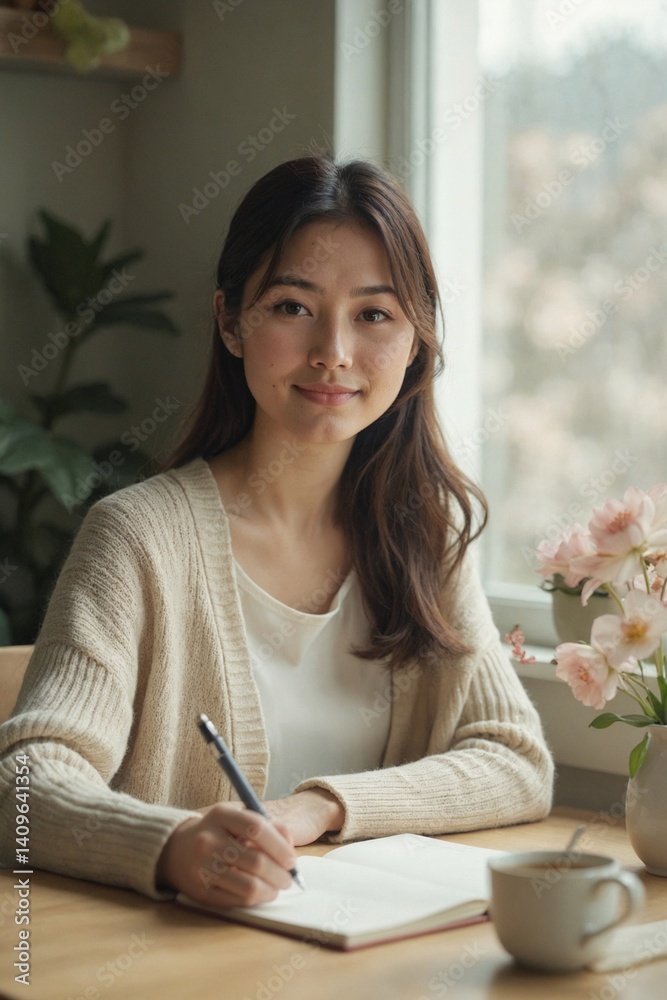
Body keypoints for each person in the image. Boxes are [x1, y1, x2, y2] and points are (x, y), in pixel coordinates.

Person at [0, 155, 553, 910]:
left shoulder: (420, 530)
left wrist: (321, 807)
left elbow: (514, 761)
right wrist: (171, 847)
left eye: (373, 314)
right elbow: (24, 786)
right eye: (293, 307)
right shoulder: (137, 538)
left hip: (362, 957)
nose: (333, 350)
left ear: (415, 339)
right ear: (231, 321)